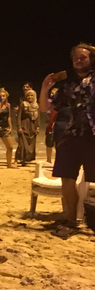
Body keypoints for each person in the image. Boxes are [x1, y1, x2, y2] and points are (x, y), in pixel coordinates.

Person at [40, 43, 95, 238]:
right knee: (67, 178)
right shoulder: (68, 85)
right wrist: (45, 88)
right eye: (76, 58)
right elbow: (45, 108)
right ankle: (71, 219)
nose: (79, 60)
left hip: (93, 137)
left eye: (83, 57)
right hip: (72, 136)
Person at [15, 84, 39, 166]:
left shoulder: (36, 105)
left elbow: (38, 117)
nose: (30, 97)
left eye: (32, 95)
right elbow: (19, 116)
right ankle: (21, 159)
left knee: (31, 145)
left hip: (32, 126)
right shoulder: (23, 104)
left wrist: (38, 127)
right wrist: (19, 127)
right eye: (28, 95)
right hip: (24, 125)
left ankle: (27, 159)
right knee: (22, 144)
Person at [0, 88, 18, 169]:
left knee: (10, 147)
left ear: (6, 97)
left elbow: (8, 117)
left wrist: (10, 126)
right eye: (0, 96)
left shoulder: (8, 105)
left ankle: (9, 163)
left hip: (5, 127)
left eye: (3, 96)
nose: (2, 97)